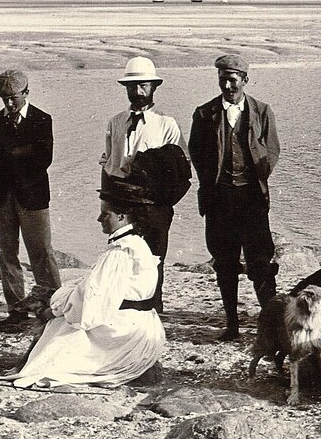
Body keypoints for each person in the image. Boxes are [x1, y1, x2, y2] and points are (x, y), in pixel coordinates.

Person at [0, 183, 165, 389]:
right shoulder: (137, 243)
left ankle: (29, 365)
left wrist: (53, 311)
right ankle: (30, 361)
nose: (99, 219)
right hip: (146, 326)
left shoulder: (120, 252)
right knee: (67, 312)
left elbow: (92, 305)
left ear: (122, 217)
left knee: (62, 324)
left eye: (106, 214)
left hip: (129, 333)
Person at [188, 54, 280, 341]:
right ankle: (232, 324)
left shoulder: (262, 111)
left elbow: (273, 150)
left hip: (252, 201)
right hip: (219, 202)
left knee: (260, 262)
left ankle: (269, 324)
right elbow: (197, 153)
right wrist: (214, 182)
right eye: (222, 79)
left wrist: (257, 176)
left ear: (245, 81)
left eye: (233, 79)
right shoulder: (204, 114)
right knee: (224, 262)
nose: (227, 85)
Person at [100, 56, 189, 312]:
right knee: (122, 254)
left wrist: (163, 204)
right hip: (120, 203)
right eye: (132, 86)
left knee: (153, 259)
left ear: (154, 87)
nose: (138, 92)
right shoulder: (115, 123)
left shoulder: (166, 124)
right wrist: (106, 204)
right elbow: (108, 165)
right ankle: (125, 307)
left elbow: (182, 170)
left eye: (143, 86)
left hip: (153, 204)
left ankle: (152, 309)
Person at [0, 70, 61, 331]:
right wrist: (20, 153)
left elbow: (44, 158)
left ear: (26, 92)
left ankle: (53, 305)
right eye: (5, 99)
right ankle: (15, 309)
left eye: (13, 98)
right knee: (6, 252)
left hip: (32, 196)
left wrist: (3, 154)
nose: (9, 104)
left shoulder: (41, 120)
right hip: (1, 196)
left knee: (42, 251)